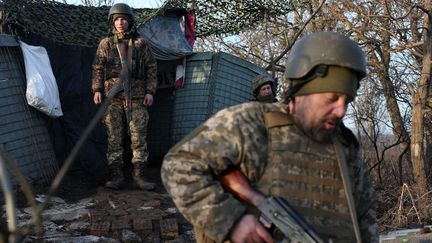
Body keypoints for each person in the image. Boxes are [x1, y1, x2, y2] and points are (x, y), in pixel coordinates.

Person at [161, 31, 379, 243]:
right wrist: (231, 220)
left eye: (347, 101)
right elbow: (179, 165)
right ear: (302, 90)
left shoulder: (345, 148)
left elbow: (365, 218)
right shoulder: (252, 123)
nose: (341, 111)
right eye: (331, 98)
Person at [91, 3, 157, 190]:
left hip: (136, 95)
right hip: (112, 96)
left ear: (130, 21)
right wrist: (96, 89)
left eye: (124, 19)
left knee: (138, 135)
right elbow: (97, 67)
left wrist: (150, 92)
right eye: (117, 19)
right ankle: (116, 175)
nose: (121, 23)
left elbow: (152, 67)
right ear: (113, 21)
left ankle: (140, 175)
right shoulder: (106, 43)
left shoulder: (140, 43)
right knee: (114, 135)